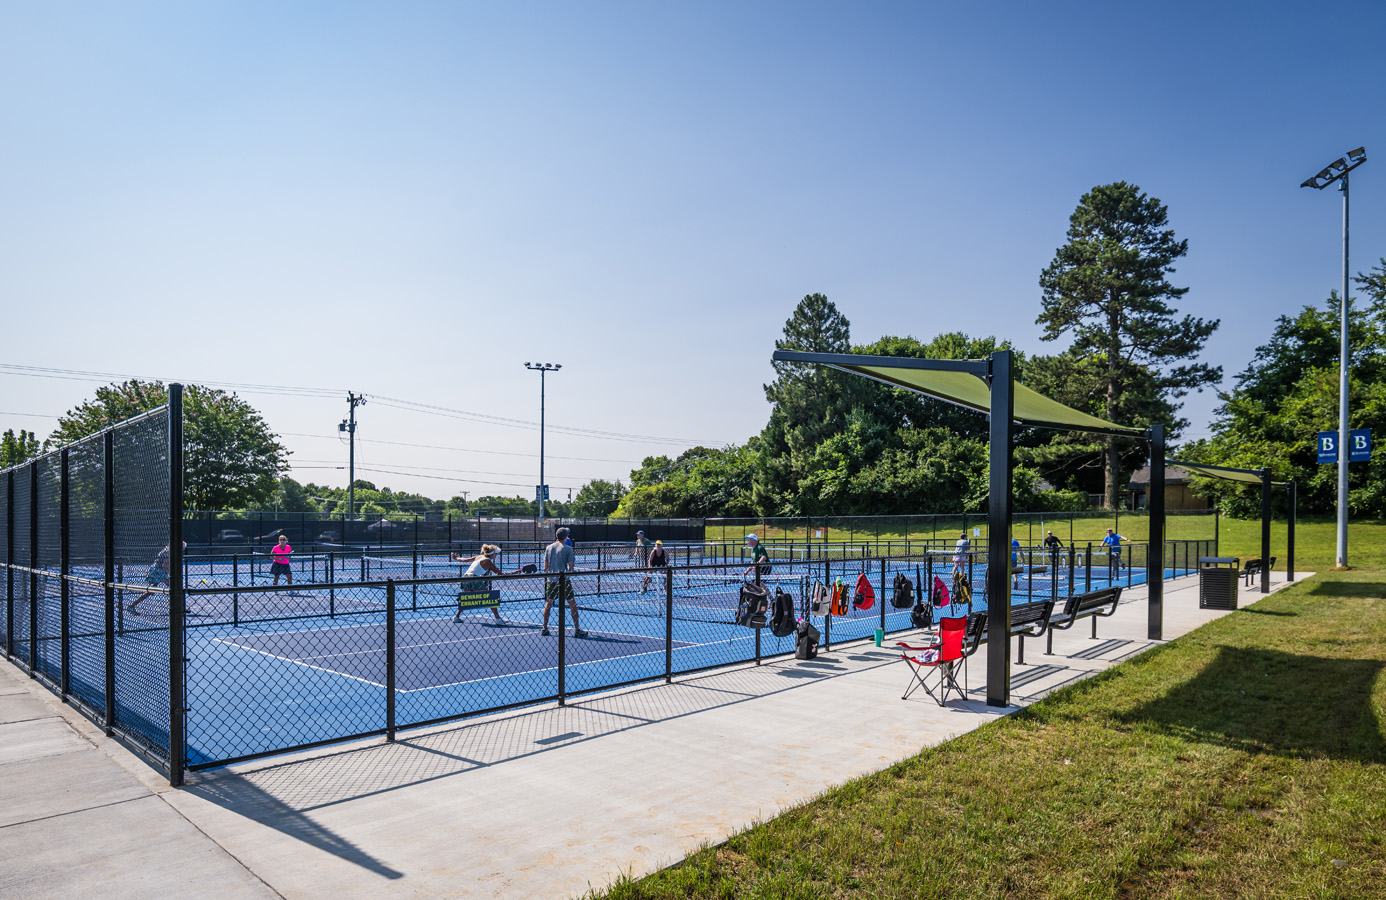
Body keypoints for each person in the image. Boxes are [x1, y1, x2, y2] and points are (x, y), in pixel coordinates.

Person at [541, 527, 586, 638]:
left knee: (549, 602)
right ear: (566, 537)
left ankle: (544, 628)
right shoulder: (568, 548)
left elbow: (545, 567)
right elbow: (571, 567)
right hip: (564, 580)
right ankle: (577, 629)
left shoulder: (549, 548)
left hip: (551, 579)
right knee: (572, 603)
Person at [453, 544, 511, 625]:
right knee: (490, 598)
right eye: (496, 554)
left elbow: (464, 560)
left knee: (465, 600)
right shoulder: (488, 562)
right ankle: (498, 619)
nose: (497, 555)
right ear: (492, 554)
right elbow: (499, 573)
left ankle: (456, 617)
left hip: (465, 578)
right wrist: (511, 574)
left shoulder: (479, 556)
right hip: (474, 579)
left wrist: (456, 558)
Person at [128, 542, 187, 613]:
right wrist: (168, 574)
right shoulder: (170, 553)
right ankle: (177, 608)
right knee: (175, 588)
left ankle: (132, 605)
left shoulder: (166, 550)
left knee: (151, 590)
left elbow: (158, 562)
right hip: (160, 572)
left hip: (156, 570)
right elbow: (165, 565)